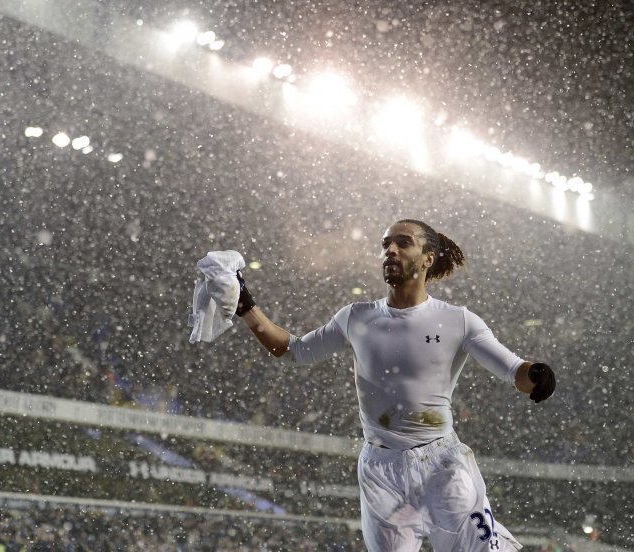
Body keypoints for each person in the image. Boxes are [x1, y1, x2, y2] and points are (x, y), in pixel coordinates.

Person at [236, 219, 556, 551]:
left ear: (428, 258)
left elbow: (514, 369)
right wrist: (247, 307)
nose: (390, 249)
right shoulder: (356, 317)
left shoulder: (458, 320)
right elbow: (294, 350)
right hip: (380, 469)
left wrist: (537, 375)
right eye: (386, 243)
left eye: (403, 243)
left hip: (442, 466)